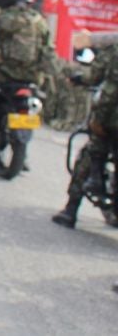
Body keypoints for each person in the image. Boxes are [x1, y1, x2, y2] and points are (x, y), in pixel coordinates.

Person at [52, 29, 118, 228]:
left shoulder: (114, 50)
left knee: (89, 156)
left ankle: (70, 210)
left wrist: (77, 77)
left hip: (110, 120)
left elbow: (96, 78)